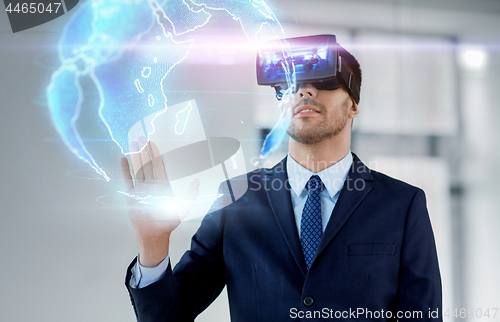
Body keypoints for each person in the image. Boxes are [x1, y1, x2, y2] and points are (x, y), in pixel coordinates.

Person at [120, 41, 442, 321]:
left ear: (353, 105)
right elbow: (167, 317)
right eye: (291, 83)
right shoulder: (235, 197)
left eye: (324, 80)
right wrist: (153, 245)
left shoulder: (402, 205)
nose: (305, 90)